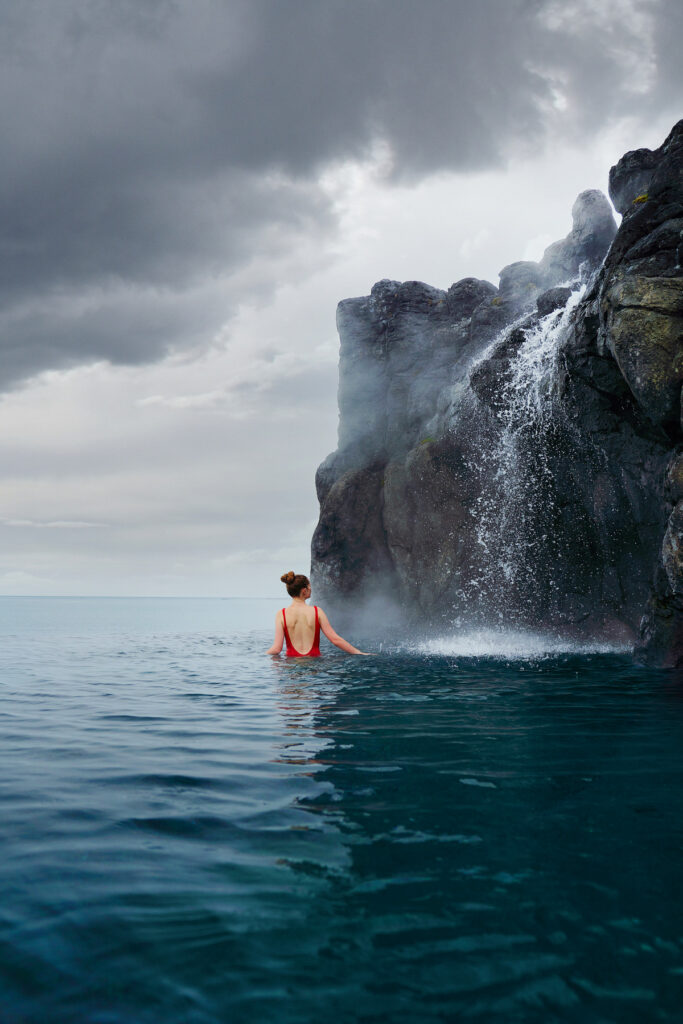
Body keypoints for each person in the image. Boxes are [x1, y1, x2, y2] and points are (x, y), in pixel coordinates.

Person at [267, 571, 369, 656]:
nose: (311, 589)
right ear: (304, 590)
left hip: (291, 667)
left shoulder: (281, 614)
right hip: (314, 666)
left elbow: (276, 649)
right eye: (309, 586)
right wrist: (358, 652)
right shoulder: (317, 612)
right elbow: (335, 640)